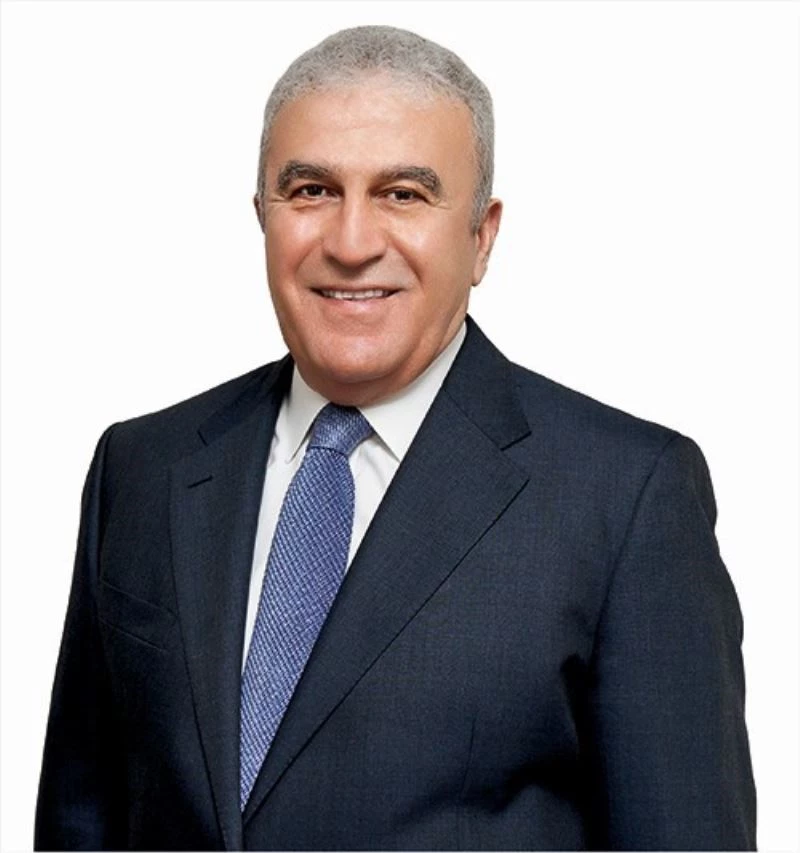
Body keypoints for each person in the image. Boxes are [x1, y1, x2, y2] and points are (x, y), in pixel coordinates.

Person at [34, 25, 756, 851]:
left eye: (404, 194)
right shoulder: (141, 468)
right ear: (262, 215)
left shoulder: (625, 498)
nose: (351, 243)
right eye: (311, 190)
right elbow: (78, 824)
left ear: (481, 236)